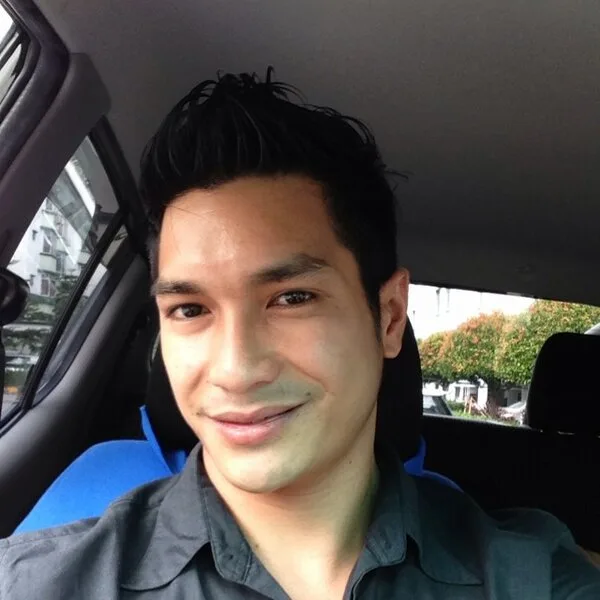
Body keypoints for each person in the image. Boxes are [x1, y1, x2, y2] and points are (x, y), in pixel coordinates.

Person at [1, 70, 599, 599]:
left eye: (292, 298)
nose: (235, 369)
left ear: (389, 317)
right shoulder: (40, 582)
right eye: (190, 308)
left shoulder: (531, 576)